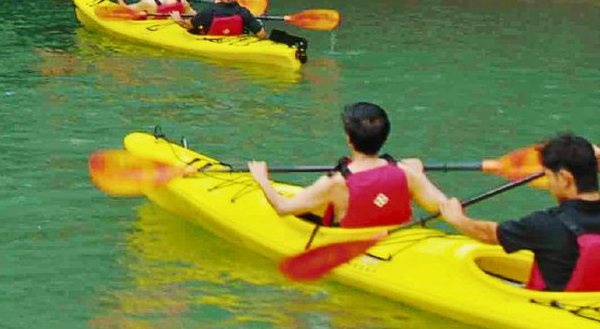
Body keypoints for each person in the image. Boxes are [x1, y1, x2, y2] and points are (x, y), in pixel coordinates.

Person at [442, 133, 600, 291]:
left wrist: (457, 219)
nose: (548, 185)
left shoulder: (546, 224)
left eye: (549, 177)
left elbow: (488, 233)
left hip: (551, 307)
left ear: (565, 179)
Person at [248, 102, 448, 227]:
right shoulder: (407, 173)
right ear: (385, 137)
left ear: (349, 141)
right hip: (397, 238)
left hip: (354, 245)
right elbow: (445, 208)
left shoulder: (334, 183)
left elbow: (283, 208)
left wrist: (263, 179)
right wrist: (419, 175)